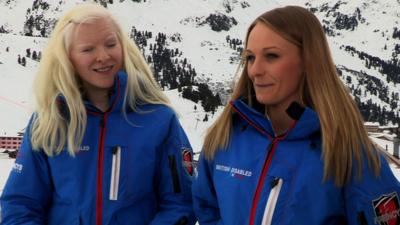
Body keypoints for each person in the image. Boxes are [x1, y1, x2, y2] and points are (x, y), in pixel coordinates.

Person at [192, 5, 400, 225]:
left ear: (308, 61)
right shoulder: (224, 138)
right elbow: (208, 212)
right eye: (250, 57)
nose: (255, 70)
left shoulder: (349, 155)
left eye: (271, 56)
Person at [0, 4, 196, 225]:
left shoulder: (159, 119)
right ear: (67, 58)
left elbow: (181, 204)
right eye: (87, 49)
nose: (103, 56)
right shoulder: (49, 121)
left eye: (111, 44)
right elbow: (20, 205)